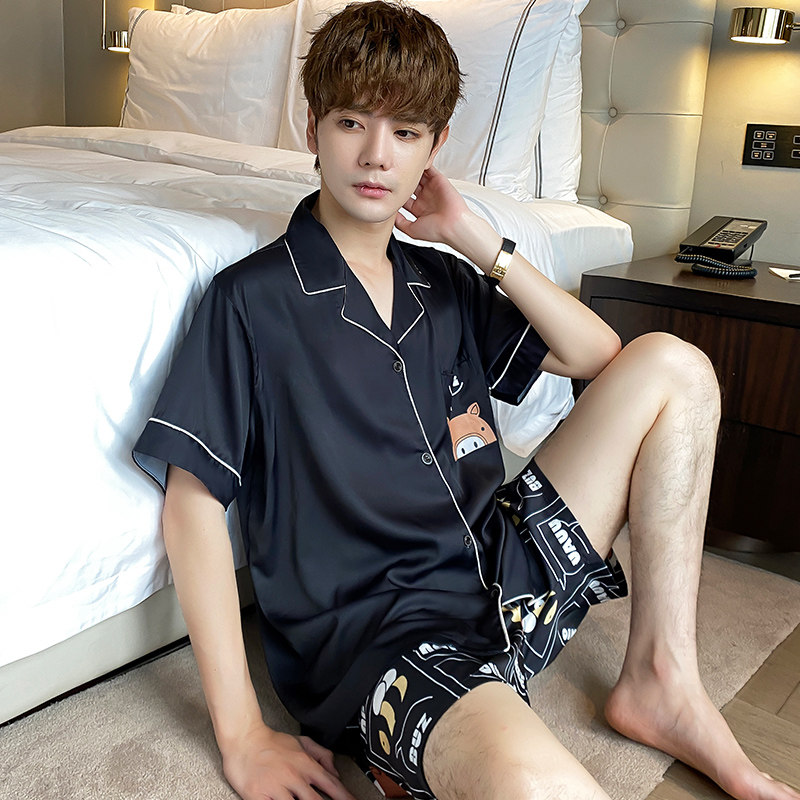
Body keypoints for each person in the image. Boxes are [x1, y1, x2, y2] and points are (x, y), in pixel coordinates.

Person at [132, 3, 800, 800]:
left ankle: (664, 680)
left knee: (677, 367)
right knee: (543, 786)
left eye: (406, 132)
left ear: (436, 147)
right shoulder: (252, 299)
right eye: (351, 123)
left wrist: (474, 238)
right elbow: (193, 503)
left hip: (501, 572)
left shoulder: (443, 280)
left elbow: (599, 357)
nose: (376, 155)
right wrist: (242, 733)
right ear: (312, 127)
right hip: (386, 638)